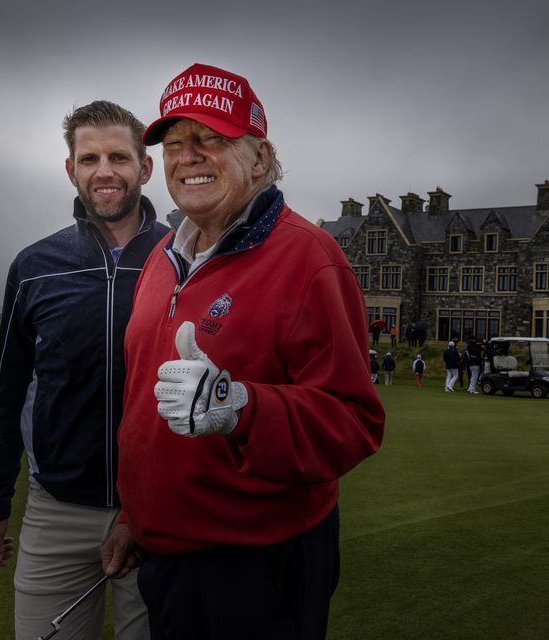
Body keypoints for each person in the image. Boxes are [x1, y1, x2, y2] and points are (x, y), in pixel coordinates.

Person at [113, 63, 385, 640]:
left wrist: (239, 408)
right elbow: (142, 405)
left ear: (260, 158)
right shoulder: (162, 257)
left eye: (211, 138)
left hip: (258, 563)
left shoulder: (311, 261)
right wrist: (135, 512)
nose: (188, 156)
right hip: (164, 552)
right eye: (175, 144)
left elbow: (354, 421)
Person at [0, 100, 168, 640]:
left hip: (157, 510)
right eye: (89, 158)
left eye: (118, 157)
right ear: (72, 169)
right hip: (57, 510)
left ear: (144, 168)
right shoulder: (34, 267)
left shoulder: (182, 259)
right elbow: (6, 394)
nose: (104, 171)